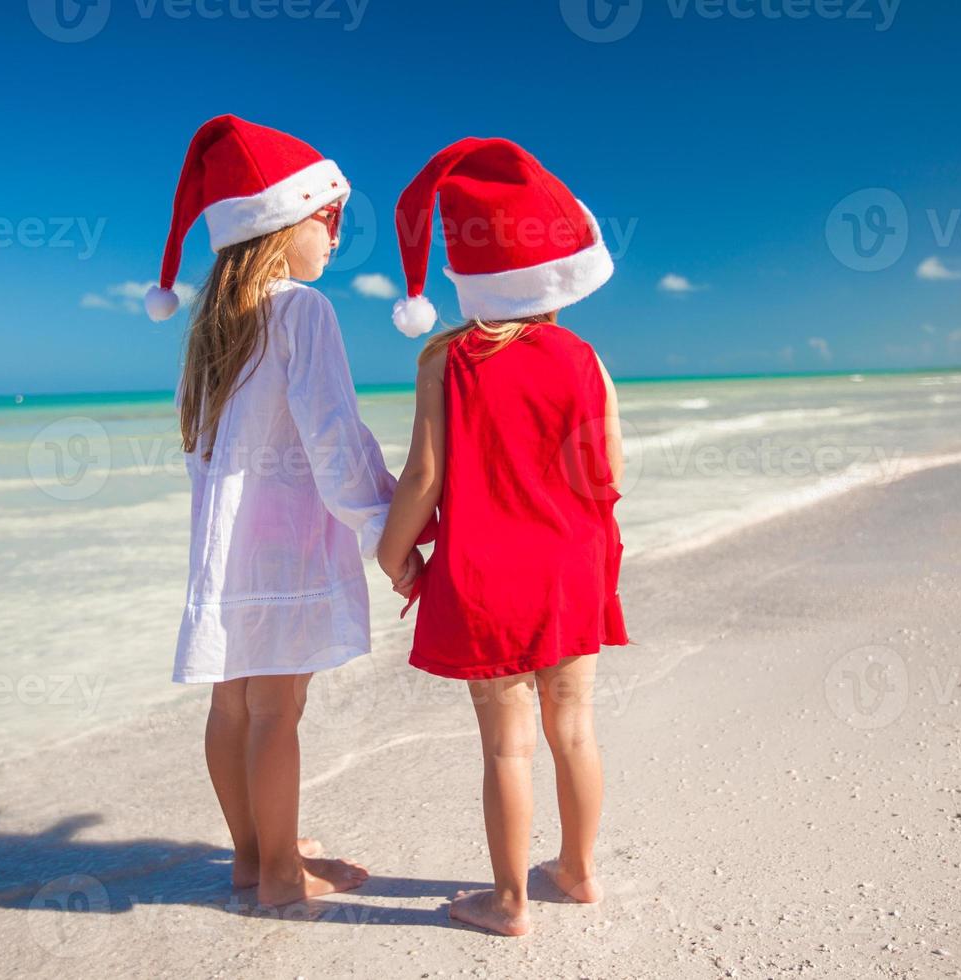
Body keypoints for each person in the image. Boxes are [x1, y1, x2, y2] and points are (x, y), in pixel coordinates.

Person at [146, 115, 421, 907]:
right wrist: (387, 528)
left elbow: (204, 449)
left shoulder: (208, 330)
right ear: (280, 224)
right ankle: (279, 877)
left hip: (224, 543)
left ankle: (249, 854)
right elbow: (335, 437)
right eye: (328, 217)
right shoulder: (302, 311)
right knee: (278, 708)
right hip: (287, 546)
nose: (337, 235)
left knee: (231, 703)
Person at [377, 137, 630, 936]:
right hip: (570, 567)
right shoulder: (584, 356)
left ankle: (510, 901)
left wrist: (394, 556)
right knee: (575, 725)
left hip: (487, 574)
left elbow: (424, 477)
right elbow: (610, 472)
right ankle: (581, 872)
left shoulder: (445, 361)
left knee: (506, 747)